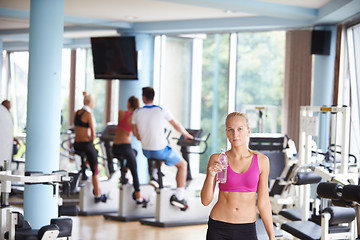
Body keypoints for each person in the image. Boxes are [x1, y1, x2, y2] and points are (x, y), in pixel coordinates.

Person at [201, 112, 275, 240]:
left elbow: (264, 203)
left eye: (240, 129)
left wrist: (272, 237)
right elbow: (205, 201)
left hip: (246, 229)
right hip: (218, 226)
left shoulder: (262, 161)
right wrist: (211, 175)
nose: (235, 134)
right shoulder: (217, 159)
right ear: (226, 133)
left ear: (248, 131)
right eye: (230, 129)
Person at [132, 86, 194, 210]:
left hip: (146, 151)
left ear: (143, 98)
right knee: (183, 165)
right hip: (159, 150)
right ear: (153, 97)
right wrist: (187, 135)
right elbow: (175, 124)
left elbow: (135, 133)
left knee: (161, 154)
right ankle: (179, 196)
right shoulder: (161, 110)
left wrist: (143, 138)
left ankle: (154, 176)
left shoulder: (137, 112)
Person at [112, 96, 147, 205]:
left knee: (135, 152)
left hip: (115, 148)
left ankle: (124, 172)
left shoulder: (120, 113)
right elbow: (137, 134)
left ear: (128, 104)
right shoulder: (134, 118)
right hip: (125, 147)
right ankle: (138, 195)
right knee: (134, 169)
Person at [73, 92, 107, 203]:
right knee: (95, 169)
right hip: (85, 145)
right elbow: (93, 134)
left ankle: (84, 168)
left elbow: (78, 129)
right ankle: (98, 195)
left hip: (77, 145)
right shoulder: (88, 114)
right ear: (91, 102)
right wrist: (92, 141)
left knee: (93, 153)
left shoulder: (77, 112)